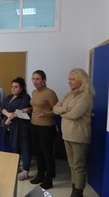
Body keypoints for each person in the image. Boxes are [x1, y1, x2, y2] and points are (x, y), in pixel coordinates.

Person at [53, 68, 95, 197]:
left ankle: (78, 192)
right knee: (71, 165)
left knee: (79, 166)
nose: (69, 82)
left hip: (79, 136)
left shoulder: (86, 96)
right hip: (67, 135)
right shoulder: (68, 94)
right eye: (69, 79)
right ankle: (74, 189)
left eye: (72, 79)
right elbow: (55, 108)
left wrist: (62, 112)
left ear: (81, 80)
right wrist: (65, 109)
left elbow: (75, 114)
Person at [27, 70, 58, 189]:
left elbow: (56, 110)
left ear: (44, 80)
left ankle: (48, 179)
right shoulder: (34, 92)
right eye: (33, 79)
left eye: (37, 79)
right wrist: (29, 110)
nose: (35, 81)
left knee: (47, 153)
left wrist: (47, 114)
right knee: (38, 152)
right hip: (34, 125)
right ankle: (40, 175)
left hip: (46, 127)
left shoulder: (49, 93)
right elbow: (35, 106)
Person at [2, 77, 32, 181]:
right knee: (14, 147)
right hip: (11, 128)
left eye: (16, 87)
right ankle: (16, 167)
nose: (13, 89)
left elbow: (19, 111)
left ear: (22, 88)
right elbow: (3, 108)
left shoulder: (25, 97)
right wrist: (8, 114)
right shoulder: (9, 97)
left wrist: (9, 117)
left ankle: (26, 171)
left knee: (25, 149)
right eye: (12, 87)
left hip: (22, 127)